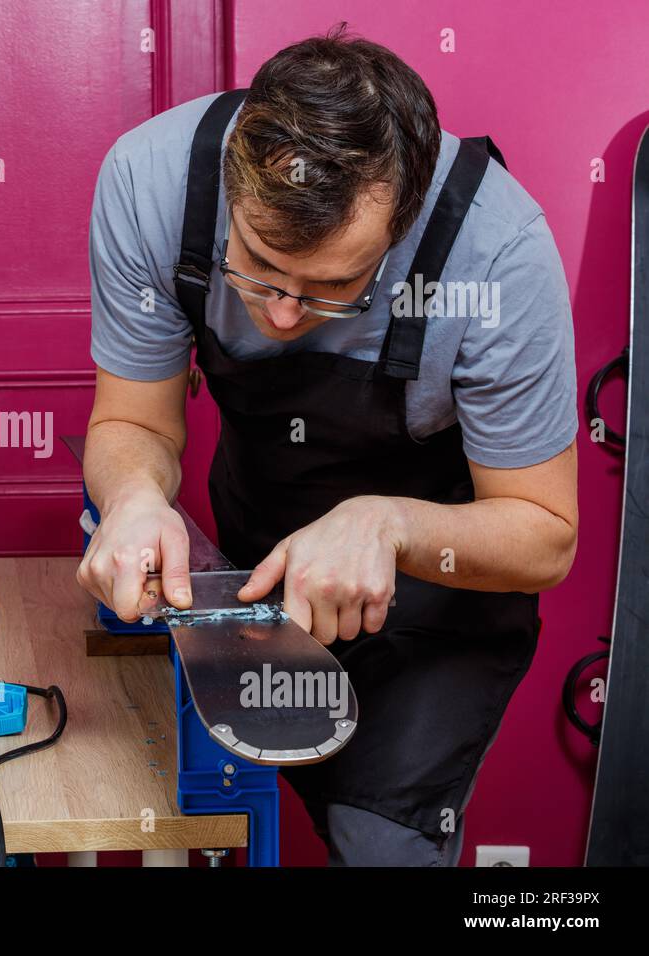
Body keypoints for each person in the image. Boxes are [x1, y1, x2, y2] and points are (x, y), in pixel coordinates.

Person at [77, 25, 577, 865]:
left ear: (403, 224)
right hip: (255, 571)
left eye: (336, 287)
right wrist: (132, 499)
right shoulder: (151, 182)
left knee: (379, 842)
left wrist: (388, 526)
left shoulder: (498, 253)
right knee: (202, 811)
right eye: (260, 266)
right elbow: (134, 421)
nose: (280, 315)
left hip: (434, 600)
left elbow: (544, 533)